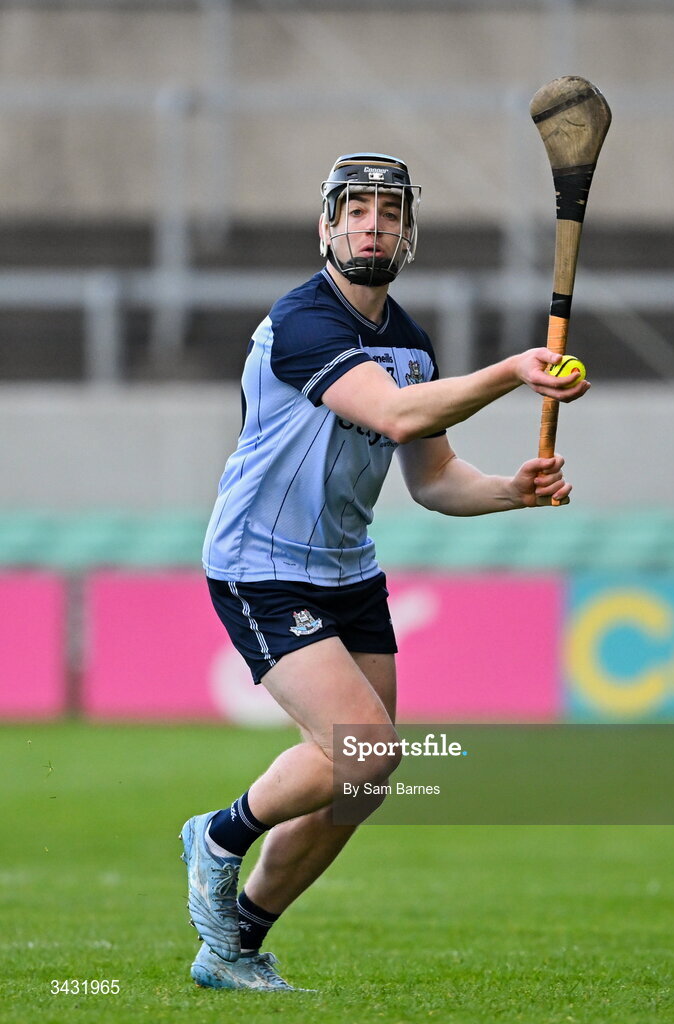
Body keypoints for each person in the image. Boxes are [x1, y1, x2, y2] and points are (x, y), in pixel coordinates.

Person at [180, 152, 589, 992]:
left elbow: (432, 477)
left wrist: (511, 491)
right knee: (363, 751)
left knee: (363, 782)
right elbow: (396, 413)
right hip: (262, 567)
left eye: (389, 213)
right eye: (357, 211)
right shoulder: (302, 322)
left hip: (347, 571)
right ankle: (218, 835)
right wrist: (513, 372)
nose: (373, 225)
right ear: (328, 225)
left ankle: (233, 946)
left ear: (408, 233)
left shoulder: (409, 341)